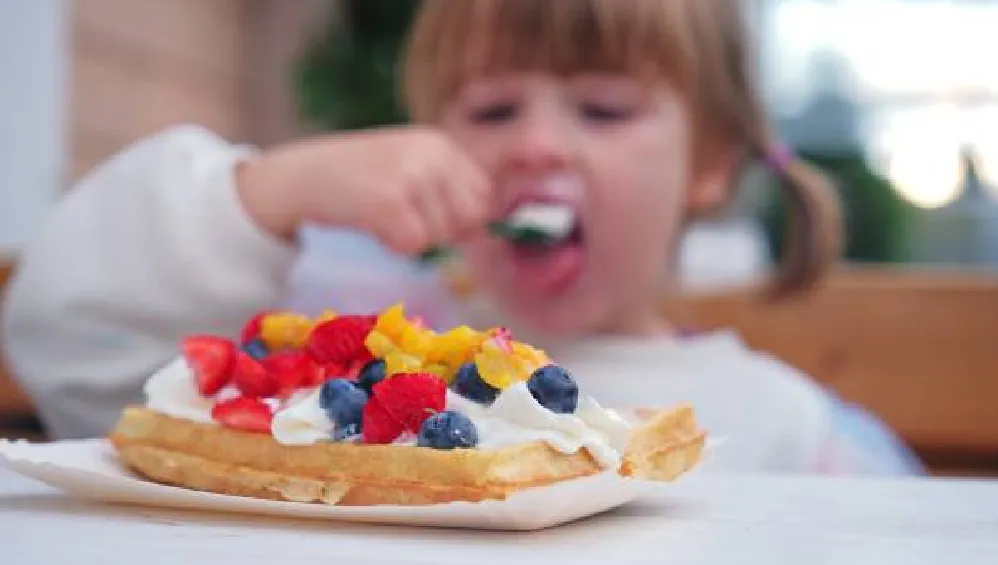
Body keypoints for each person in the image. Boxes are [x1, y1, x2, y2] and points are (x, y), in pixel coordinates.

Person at [1, 0, 922, 474]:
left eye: (602, 109)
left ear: (712, 161)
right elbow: (69, 337)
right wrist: (271, 188)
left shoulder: (791, 432)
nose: (532, 145)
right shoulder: (342, 369)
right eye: (490, 108)